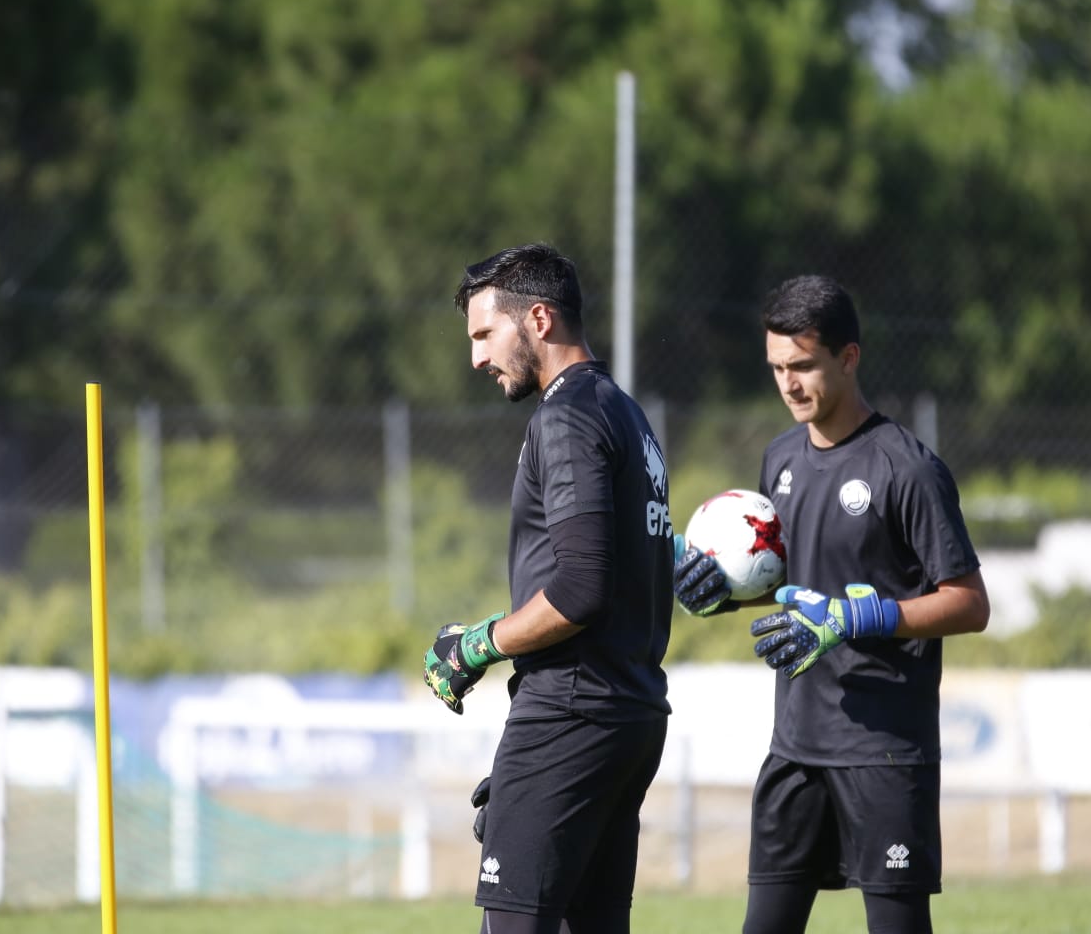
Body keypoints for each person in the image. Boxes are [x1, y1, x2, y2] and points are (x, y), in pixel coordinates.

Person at [673, 275, 991, 934]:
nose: (788, 384)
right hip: (794, 748)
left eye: (803, 366)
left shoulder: (906, 469)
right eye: (776, 369)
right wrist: (719, 595)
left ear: (848, 357)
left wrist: (867, 616)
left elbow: (969, 603)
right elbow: (786, 581)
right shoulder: (780, 458)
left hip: (883, 750)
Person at [423, 242, 675, 934]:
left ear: (537, 318)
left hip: (572, 709)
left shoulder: (565, 416)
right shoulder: (625, 413)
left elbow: (582, 587)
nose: (477, 357)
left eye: (484, 334)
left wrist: (475, 645)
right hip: (628, 712)